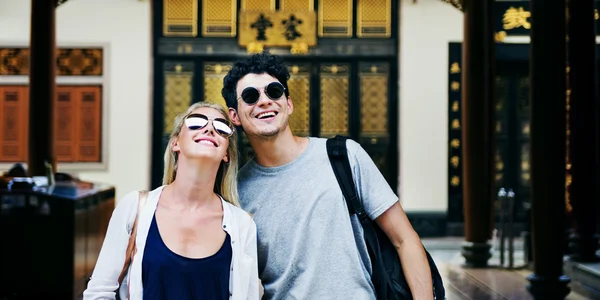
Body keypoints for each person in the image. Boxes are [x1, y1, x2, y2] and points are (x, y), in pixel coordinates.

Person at [222, 53, 433, 300]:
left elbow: (404, 239)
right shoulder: (237, 192)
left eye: (274, 91)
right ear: (234, 116)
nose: (265, 101)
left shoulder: (344, 156)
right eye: (250, 96)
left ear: (288, 104)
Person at [83, 102, 259, 300]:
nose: (209, 128)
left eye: (221, 127)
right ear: (176, 143)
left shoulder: (242, 226)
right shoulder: (134, 207)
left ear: (226, 153)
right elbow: (98, 293)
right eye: (196, 122)